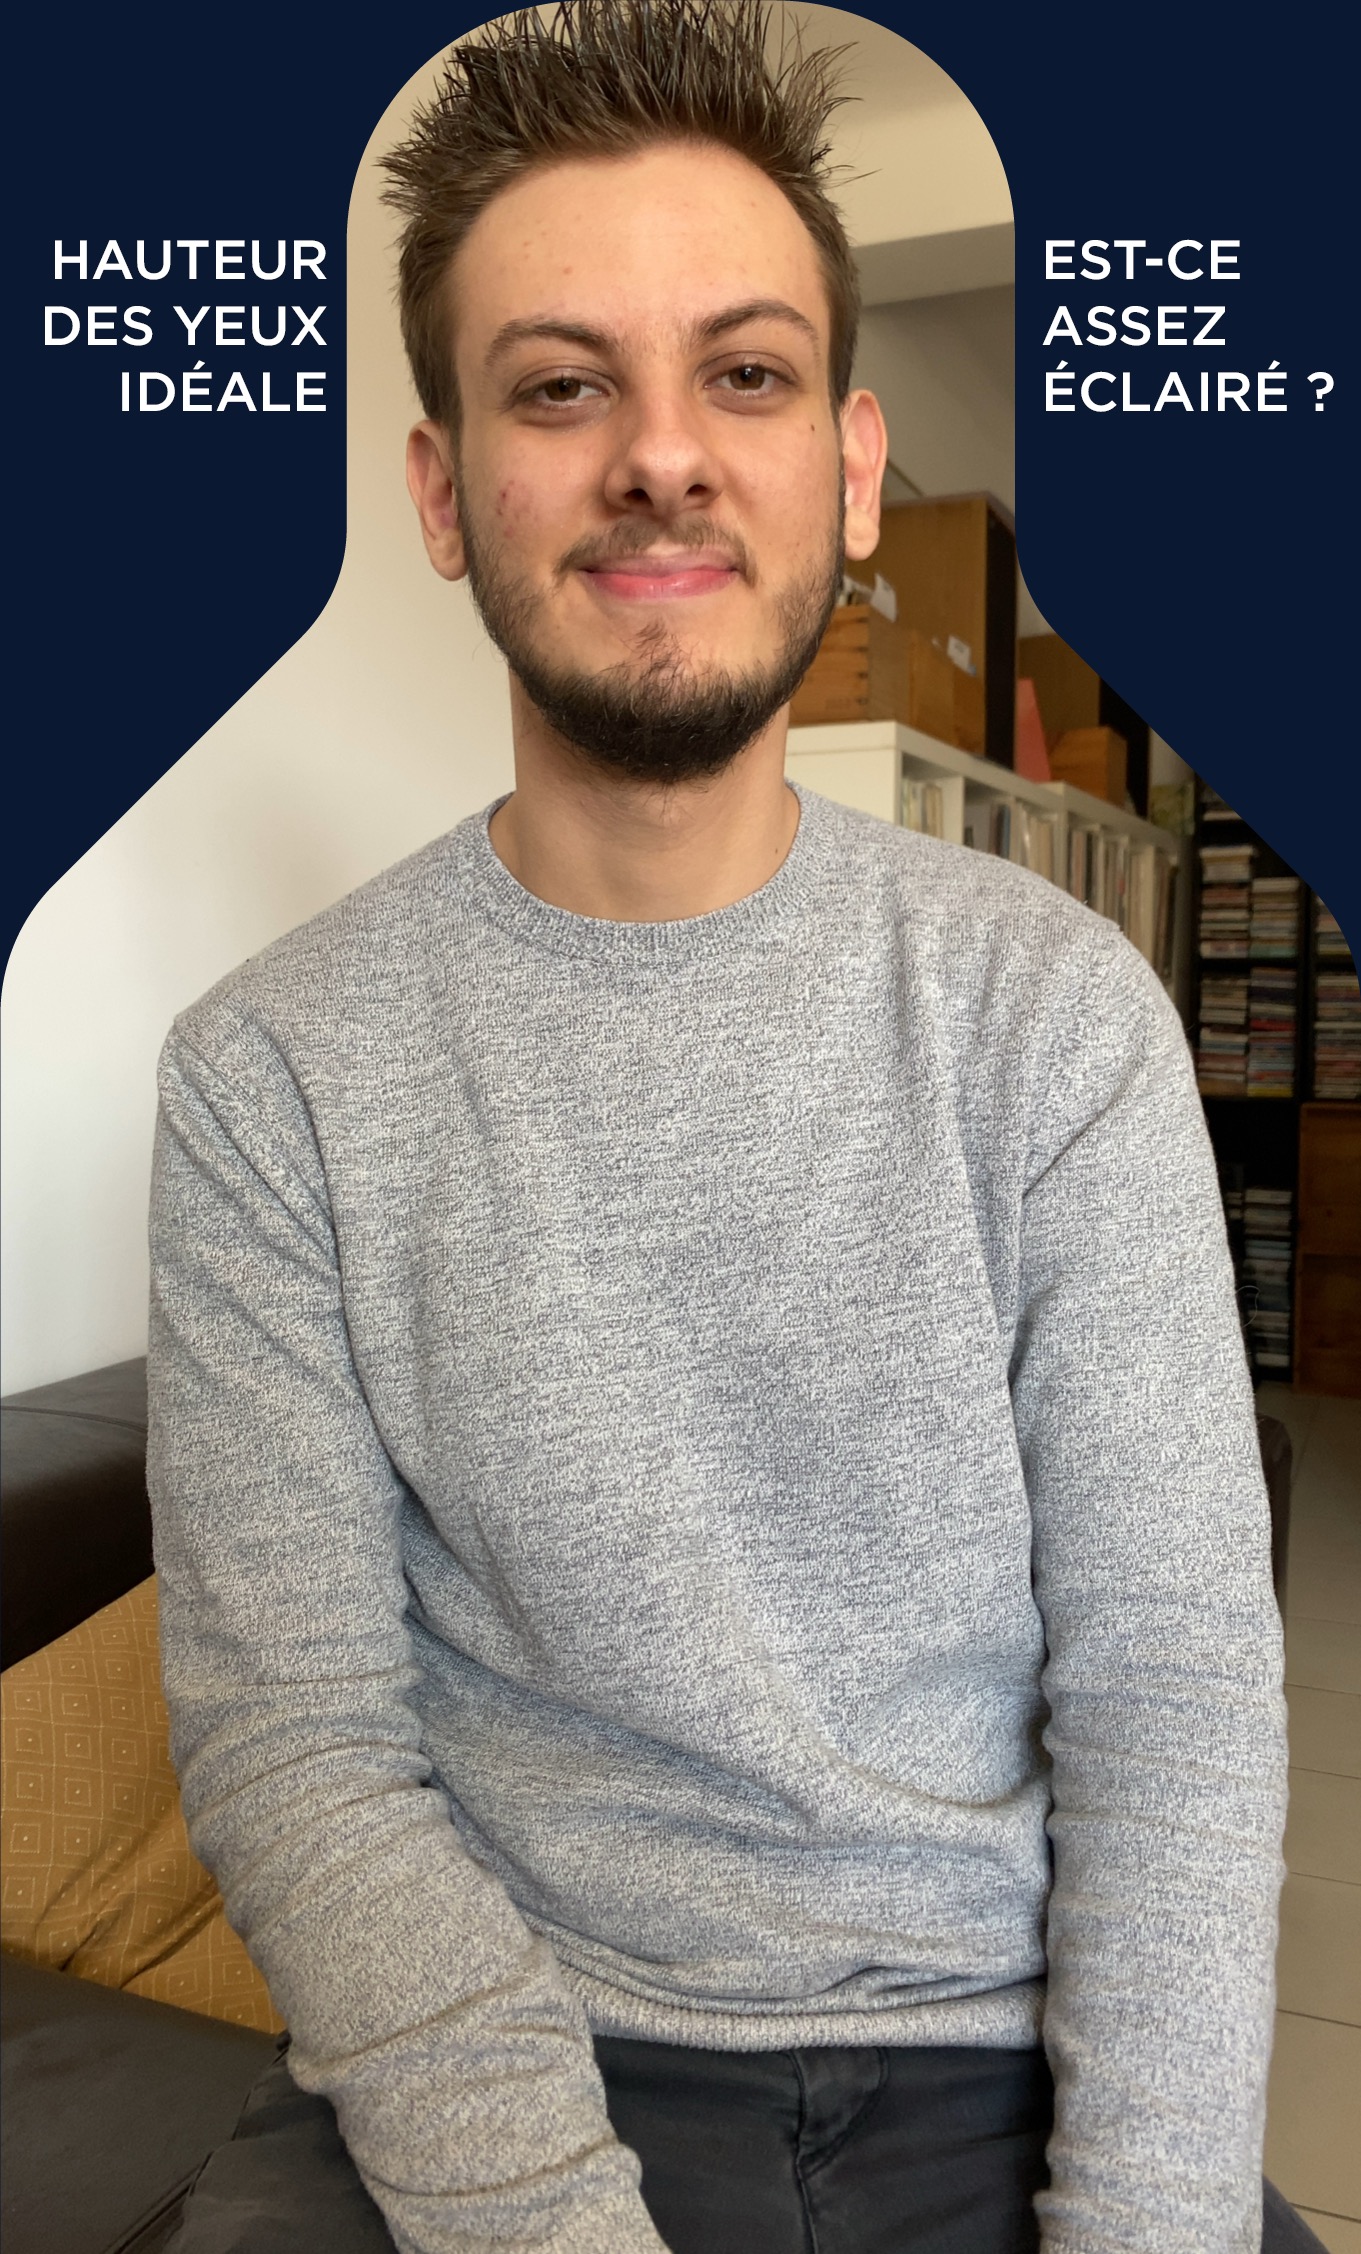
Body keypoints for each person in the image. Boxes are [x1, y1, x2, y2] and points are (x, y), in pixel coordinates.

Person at [147, 4, 1307, 2249]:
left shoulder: (1058, 1012)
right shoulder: (269, 1075)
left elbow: (1171, 1679)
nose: (661, 456)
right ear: (443, 491)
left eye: (744, 374)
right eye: (559, 386)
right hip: (513, 2051)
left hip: (992, 2056)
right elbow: (297, 1744)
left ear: (851, 470)